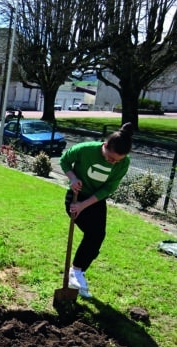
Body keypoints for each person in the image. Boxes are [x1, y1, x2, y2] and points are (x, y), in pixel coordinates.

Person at [59, 122, 134, 299]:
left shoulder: (124, 163)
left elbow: (107, 189)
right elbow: (64, 160)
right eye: (110, 158)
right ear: (105, 146)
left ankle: (77, 272)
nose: (113, 162)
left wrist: (83, 205)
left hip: (94, 200)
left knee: (98, 236)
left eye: (117, 161)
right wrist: (73, 178)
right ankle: (76, 272)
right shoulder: (86, 149)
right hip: (75, 196)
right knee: (93, 235)